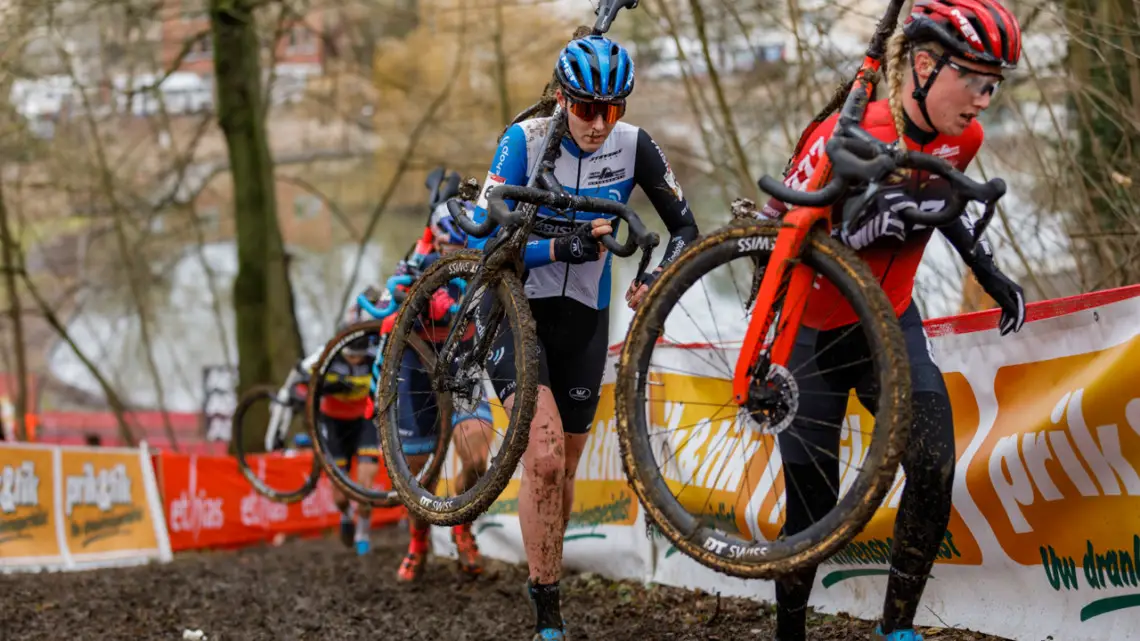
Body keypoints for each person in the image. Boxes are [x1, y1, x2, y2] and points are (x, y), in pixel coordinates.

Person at [758, 2, 1025, 640]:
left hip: (891, 325)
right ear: (926, 66)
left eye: (996, 84)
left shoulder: (966, 136)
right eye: (976, 80)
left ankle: (896, 629)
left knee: (933, 466)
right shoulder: (844, 134)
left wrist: (985, 269)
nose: (984, 100)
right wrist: (764, 348)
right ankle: (789, 631)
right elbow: (770, 238)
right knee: (812, 514)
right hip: (812, 337)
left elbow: (947, 198)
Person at [467, 35, 700, 641]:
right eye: (586, 108)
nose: (599, 124)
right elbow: (480, 242)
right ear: (564, 98)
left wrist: (654, 278)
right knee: (541, 456)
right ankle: (547, 615)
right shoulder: (526, 142)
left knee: (562, 470)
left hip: (586, 318)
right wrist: (555, 246)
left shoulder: (634, 146)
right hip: (516, 311)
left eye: (612, 109)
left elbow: (685, 228)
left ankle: (549, 578)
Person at [353, 200, 495, 583]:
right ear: (435, 241)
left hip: (462, 358)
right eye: (449, 244)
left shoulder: (482, 259)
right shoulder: (414, 260)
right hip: (416, 368)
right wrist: (404, 298)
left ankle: (462, 529)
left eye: (463, 243)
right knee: (418, 475)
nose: (455, 251)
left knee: (477, 452)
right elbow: (381, 303)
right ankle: (418, 544)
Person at [300, 325, 381, 557]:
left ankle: (363, 533)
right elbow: (303, 382)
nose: (356, 361)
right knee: (340, 496)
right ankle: (346, 515)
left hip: (364, 421)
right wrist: (327, 386)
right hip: (334, 424)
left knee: (366, 483)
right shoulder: (327, 355)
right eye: (350, 356)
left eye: (360, 356)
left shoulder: (374, 355)